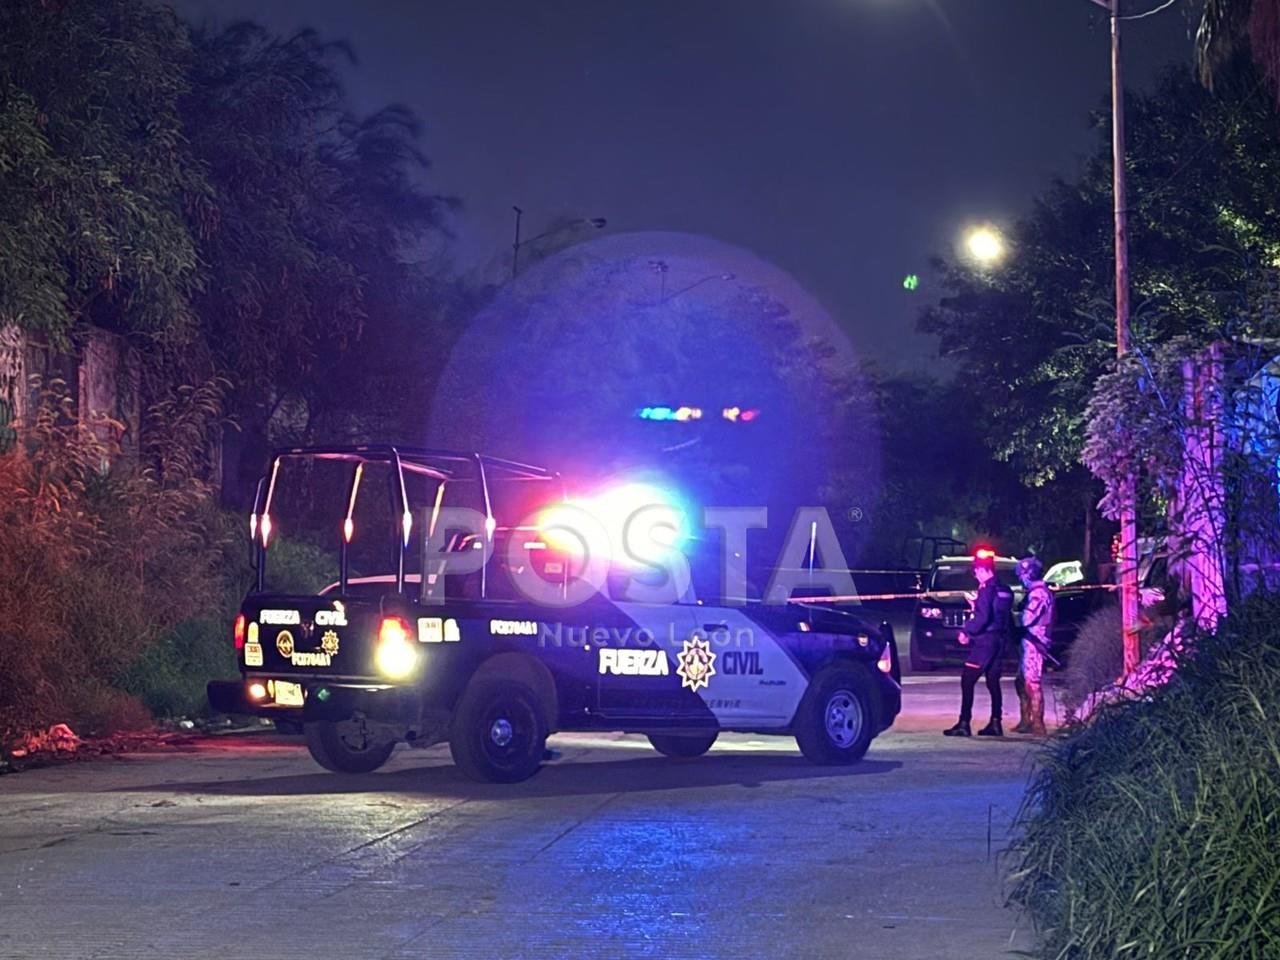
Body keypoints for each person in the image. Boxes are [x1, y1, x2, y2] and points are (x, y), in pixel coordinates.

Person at [943, 550, 1014, 738]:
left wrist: (967, 631)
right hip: (1000, 640)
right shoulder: (1005, 590)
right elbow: (1001, 615)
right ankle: (996, 722)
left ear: (983, 571)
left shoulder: (986, 590)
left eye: (976, 572)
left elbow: (983, 617)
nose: (975, 576)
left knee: (967, 679)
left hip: (985, 642)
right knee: (993, 682)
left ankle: (964, 723)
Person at [1013, 555, 1054, 736]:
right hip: (1029, 641)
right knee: (1021, 682)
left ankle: (1038, 724)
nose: (1021, 579)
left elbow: (1027, 618)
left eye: (1021, 575)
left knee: (1032, 683)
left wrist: (1015, 613)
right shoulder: (1035, 592)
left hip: (1035, 642)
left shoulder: (1039, 594)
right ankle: (1026, 720)